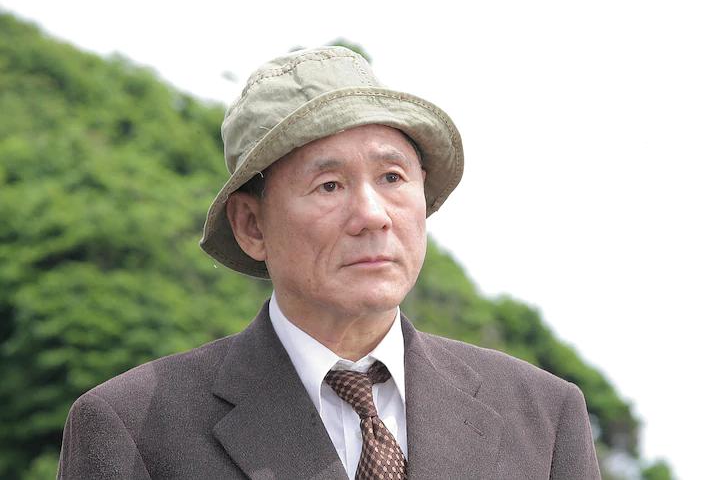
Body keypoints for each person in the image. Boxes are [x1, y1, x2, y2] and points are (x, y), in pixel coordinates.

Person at [57, 46, 601, 479]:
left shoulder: (543, 414)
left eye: (392, 177)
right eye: (329, 185)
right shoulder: (134, 425)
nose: (372, 215)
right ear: (251, 225)